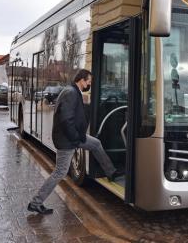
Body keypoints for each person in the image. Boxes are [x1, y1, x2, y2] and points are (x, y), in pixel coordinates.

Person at [27, 69, 123, 214]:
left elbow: (75, 115)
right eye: (88, 81)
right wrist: (76, 138)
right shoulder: (71, 93)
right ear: (82, 80)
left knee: (96, 144)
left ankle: (111, 172)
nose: (89, 84)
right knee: (60, 172)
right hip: (68, 140)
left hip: (74, 137)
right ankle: (36, 202)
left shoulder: (73, 91)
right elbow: (66, 119)